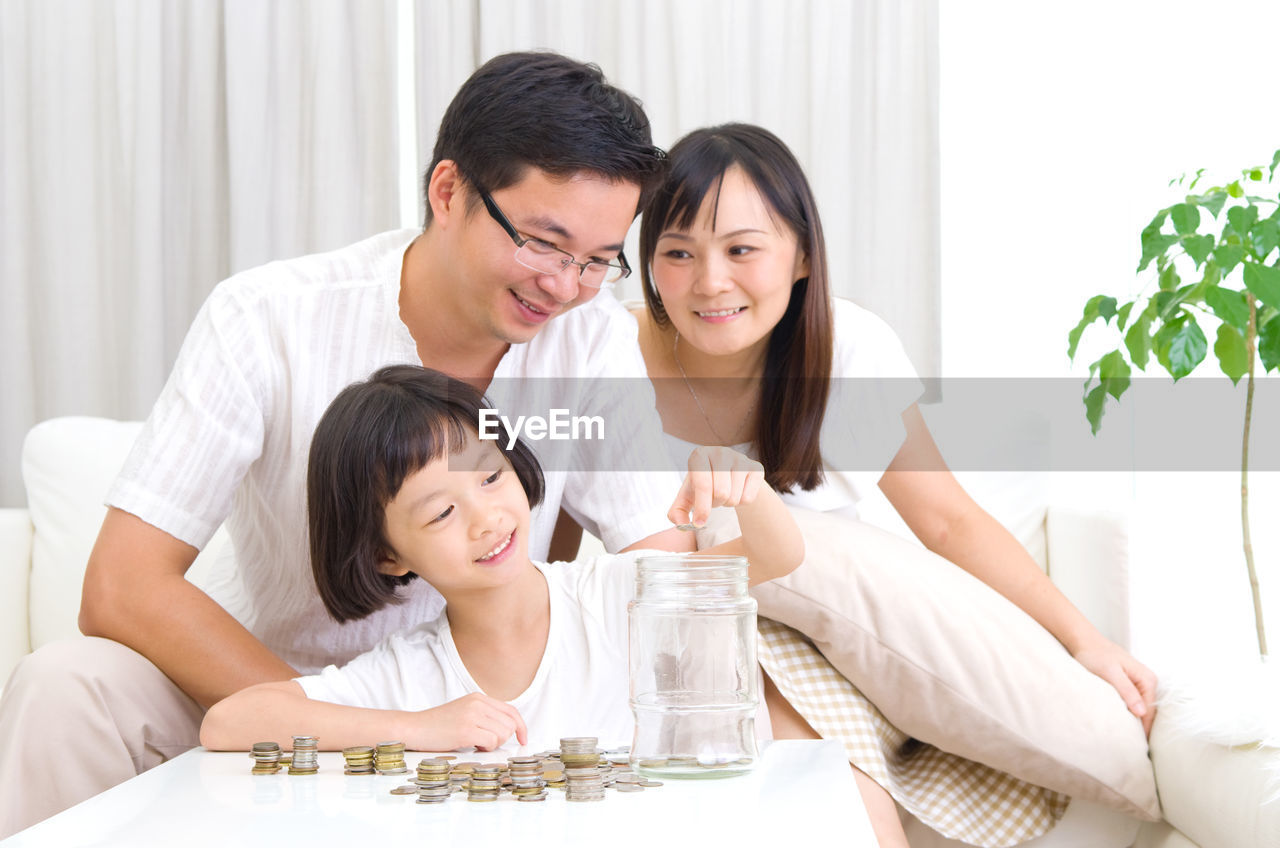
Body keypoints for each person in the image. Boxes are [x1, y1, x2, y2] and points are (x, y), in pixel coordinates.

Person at [0, 51, 692, 838]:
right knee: (66, 684)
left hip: (474, 720)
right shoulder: (269, 317)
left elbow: (666, 577)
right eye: (542, 243)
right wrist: (360, 725)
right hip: (253, 688)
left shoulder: (591, 341)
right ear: (448, 192)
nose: (564, 286)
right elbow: (122, 587)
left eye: (597, 262)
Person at [624, 123, 1159, 847]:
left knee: (816, 747)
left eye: (741, 249)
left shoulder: (848, 350)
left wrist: (1084, 639)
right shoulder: (607, 358)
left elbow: (946, 521)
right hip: (689, 656)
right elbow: (548, 544)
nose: (709, 281)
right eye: (678, 253)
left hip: (840, 643)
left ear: (803, 255)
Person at [199, 364, 804, 753]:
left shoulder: (611, 593)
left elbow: (776, 556)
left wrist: (747, 483)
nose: (486, 519)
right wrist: (417, 730)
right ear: (386, 555)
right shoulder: (408, 676)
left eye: (490, 477)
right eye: (440, 514)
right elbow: (229, 724)